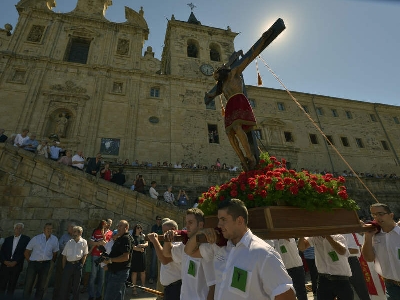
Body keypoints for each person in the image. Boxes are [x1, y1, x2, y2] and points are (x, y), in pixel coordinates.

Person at [184, 199, 295, 300]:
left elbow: (285, 295)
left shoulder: (263, 253)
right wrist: (200, 232)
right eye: (218, 220)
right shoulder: (219, 247)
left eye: (223, 220)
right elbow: (189, 251)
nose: (219, 224)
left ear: (240, 221)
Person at [163, 208, 216, 300]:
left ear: (200, 225)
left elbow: (213, 287)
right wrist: (168, 239)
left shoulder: (207, 248)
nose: (187, 226)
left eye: (190, 222)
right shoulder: (184, 245)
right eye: (186, 222)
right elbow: (167, 254)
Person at [362, 203, 400, 299]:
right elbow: (369, 258)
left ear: (391, 215)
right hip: (391, 286)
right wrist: (368, 237)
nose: (377, 217)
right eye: (374, 215)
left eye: (380, 214)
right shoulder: (374, 236)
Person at [298, 234, 353, 300]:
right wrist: (302, 234)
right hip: (324, 279)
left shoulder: (338, 236)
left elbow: (343, 252)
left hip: (341, 279)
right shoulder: (314, 238)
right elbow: (302, 248)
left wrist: (328, 236)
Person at [147, 219, 182, 300]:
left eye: (165, 231)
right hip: (169, 288)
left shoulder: (178, 244)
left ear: (173, 230)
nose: (163, 234)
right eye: (163, 232)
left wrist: (154, 240)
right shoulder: (169, 244)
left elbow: (164, 259)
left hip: (176, 288)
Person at [23, 223, 59, 300]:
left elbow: (55, 252)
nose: (49, 230)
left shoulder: (54, 239)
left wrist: (51, 262)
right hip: (34, 264)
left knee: (41, 286)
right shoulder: (36, 238)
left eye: (51, 228)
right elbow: (26, 252)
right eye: (47, 228)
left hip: (45, 264)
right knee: (28, 284)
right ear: (44, 229)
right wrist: (31, 262)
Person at [102, 220, 133, 300]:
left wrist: (110, 260)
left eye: (120, 226)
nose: (118, 228)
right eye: (117, 226)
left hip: (119, 273)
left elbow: (125, 257)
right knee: (117, 296)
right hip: (115, 271)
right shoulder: (120, 238)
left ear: (126, 228)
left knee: (109, 297)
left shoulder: (126, 238)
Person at [0, 223, 30, 298]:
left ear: (22, 229)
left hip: (16, 265)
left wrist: (16, 262)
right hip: (5, 265)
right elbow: (2, 252)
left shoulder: (26, 239)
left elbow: (25, 252)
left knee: (12, 285)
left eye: (20, 228)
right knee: (2, 284)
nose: (18, 229)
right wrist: (4, 261)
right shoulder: (7, 239)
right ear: (14, 229)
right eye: (17, 228)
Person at [59, 226, 88, 300]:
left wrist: (81, 264)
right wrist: (64, 267)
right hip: (68, 265)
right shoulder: (69, 242)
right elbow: (64, 256)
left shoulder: (84, 242)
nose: (73, 233)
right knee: (65, 285)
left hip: (78, 265)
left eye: (75, 232)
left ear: (80, 233)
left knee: (76, 286)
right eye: (73, 232)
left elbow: (85, 254)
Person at [88, 220, 112, 300]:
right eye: (107, 223)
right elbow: (90, 242)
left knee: (102, 277)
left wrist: (105, 243)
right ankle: (91, 295)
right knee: (93, 276)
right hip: (95, 255)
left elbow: (110, 244)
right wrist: (98, 243)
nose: (108, 225)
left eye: (110, 224)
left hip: (104, 257)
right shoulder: (96, 231)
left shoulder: (111, 233)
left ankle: (99, 295)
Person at [343, 233, 370, 300]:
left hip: (351, 261)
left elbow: (355, 250)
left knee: (361, 289)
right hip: (338, 263)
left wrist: (337, 250)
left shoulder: (346, 232)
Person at [53, 222, 76, 300]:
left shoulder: (76, 238)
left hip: (72, 259)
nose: (70, 229)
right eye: (69, 227)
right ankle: (56, 297)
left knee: (69, 279)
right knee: (59, 278)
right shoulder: (64, 236)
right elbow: (60, 245)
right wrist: (68, 251)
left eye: (71, 227)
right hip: (63, 257)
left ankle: (66, 296)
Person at [129, 224, 148, 295]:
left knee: (143, 272)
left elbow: (147, 243)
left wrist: (142, 245)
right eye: (138, 228)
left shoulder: (143, 236)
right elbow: (132, 246)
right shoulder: (132, 237)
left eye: (140, 228)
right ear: (135, 229)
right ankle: (134, 288)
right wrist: (139, 249)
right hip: (135, 256)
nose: (139, 229)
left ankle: (143, 286)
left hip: (142, 256)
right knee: (134, 272)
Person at [149, 216, 163, 285]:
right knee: (153, 262)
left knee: (161, 263)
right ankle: (152, 277)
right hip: (154, 247)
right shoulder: (154, 227)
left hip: (161, 246)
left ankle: (159, 278)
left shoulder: (162, 227)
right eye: (158, 219)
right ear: (156, 220)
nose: (159, 220)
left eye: (160, 219)